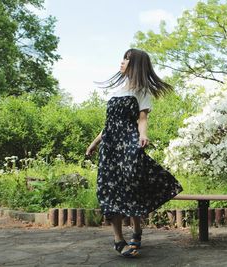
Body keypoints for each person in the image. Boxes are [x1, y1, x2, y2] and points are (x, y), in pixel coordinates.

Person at [85, 48, 184, 258]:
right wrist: (94, 144)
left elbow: (142, 119)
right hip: (110, 149)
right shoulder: (116, 90)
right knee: (109, 191)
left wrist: (143, 135)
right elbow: (109, 125)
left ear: (135, 65)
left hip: (128, 146)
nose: (121, 62)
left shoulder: (142, 91)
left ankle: (137, 229)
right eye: (122, 58)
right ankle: (118, 239)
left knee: (131, 188)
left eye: (126, 60)